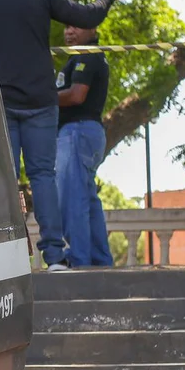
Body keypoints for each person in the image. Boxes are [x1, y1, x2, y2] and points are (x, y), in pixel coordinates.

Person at [0, 0, 126, 272]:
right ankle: (55, 257)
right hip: (41, 104)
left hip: (0, 102)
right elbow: (90, 15)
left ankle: (2, 258)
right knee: (43, 176)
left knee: (2, 178)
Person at [56, 25, 114, 267]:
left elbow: (77, 95)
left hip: (78, 132)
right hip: (84, 133)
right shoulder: (80, 57)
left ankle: (79, 260)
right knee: (87, 200)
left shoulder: (87, 55)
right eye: (66, 27)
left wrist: (39, 97)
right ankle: (100, 260)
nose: (69, 31)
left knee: (72, 199)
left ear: (92, 28)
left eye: (76, 26)